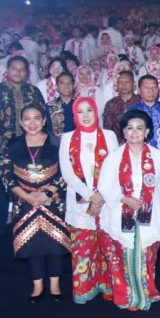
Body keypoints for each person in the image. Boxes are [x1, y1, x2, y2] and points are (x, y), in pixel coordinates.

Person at [98, 109, 160, 311]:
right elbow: (104, 187)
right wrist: (124, 199)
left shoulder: (157, 156)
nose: (135, 132)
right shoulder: (114, 157)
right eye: (130, 128)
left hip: (150, 215)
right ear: (124, 132)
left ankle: (146, 293)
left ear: (147, 132)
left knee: (147, 256)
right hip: (121, 213)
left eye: (139, 128)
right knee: (123, 257)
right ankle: (126, 297)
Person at [0, 104, 67, 301]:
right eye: (27, 118)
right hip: (24, 202)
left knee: (55, 244)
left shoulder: (56, 142)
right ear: (21, 122)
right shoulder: (12, 145)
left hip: (52, 201)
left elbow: (67, 170)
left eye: (37, 118)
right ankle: (37, 285)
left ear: (44, 120)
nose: (32, 122)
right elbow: (5, 174)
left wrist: (49, 192)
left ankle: (55, 285)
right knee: (33, 244)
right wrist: (26, 196)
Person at [59, 97, 119, 303]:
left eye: (89, 111)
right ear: (75, 115)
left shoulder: (109, 135)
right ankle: (84, 289)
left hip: (106, 200)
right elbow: (67, 173)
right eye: (81, 111)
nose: (85, 116)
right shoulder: (67, 138)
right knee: (83, 247)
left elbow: (114, 168)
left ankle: (107, 286)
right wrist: (90, 195)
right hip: (79, 201)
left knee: (107, 245)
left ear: (96, 112)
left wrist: (100, 196)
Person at [0, 56, 50, 239]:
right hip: (2, 146)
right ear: (7, 70)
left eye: (22, 69)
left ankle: (29, 221)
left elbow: (41, 116)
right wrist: (8, 135)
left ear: (27, 72)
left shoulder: (33, 91)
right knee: (1, 184)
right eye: (14, 68)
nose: (18, 72)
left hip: (30, 145)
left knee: (30, 181)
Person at [126, 75, 160, 151]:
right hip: (139, 154)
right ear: (139, 90)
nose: (151, 90)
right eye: (147, 87)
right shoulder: (131, 111)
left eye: (154, 87)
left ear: (158, 89)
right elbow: (126, 135)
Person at [101, 70, 140, 142]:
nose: (123, 85)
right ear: (116, 85)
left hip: (138, 142)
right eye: (120, 82)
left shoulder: (140, 102)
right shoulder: (110, 104)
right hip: (116, 144)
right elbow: (108, 130)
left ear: (133, 84)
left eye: (127, 82)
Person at [45, 71, 77, 136]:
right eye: (62, 83)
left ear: (74, 86)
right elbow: (47, 131)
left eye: (69, 83)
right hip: (57, 144)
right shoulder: (50, 106)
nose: (66, 86)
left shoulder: (81, 105)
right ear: (56, 86)